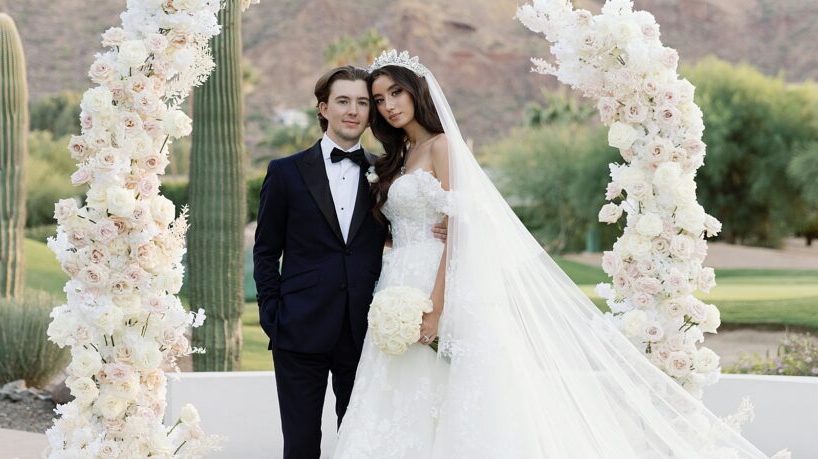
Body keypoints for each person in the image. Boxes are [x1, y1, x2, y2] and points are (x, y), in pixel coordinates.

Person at [332, 50, 776, 459]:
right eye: (379, 99)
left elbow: (462, 227)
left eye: (396, 92)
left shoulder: (443, 146)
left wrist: (436, 307)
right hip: (397, 286)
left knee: (453, 390)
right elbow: (401, 223)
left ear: (416, 92)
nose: (389, 105)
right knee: (400, 392)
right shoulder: (400, 155)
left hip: (438, 287)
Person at [253, 65, 446, 459]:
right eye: (343, 101)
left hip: (365, 330)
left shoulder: (388, 171)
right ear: (324, 108)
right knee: (301, 445)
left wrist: (445, 227)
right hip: (298, 329)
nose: (353, 111)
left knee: (362, 441)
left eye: (363, 102)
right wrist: (272, 315)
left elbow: (406, 223)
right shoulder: (285, 172)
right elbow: (266, 251)